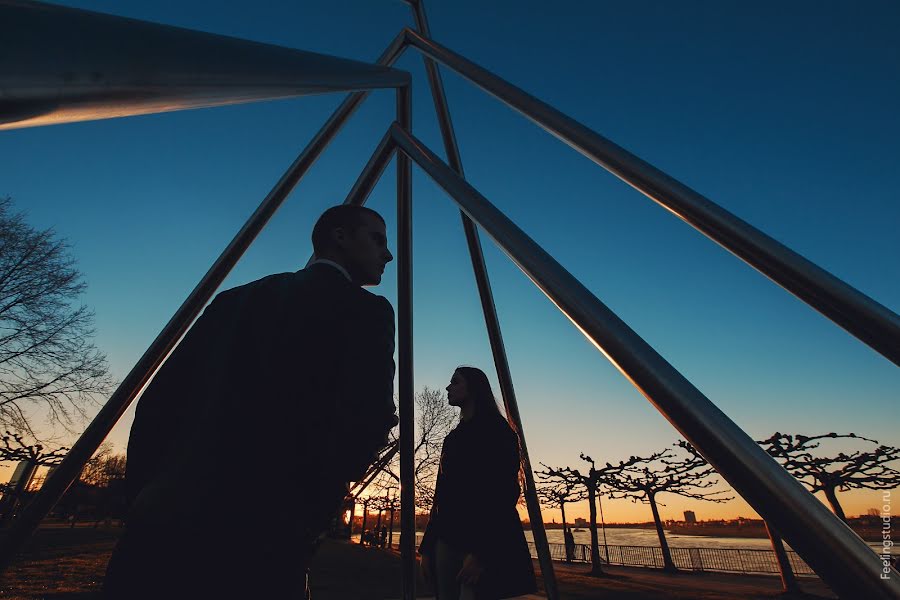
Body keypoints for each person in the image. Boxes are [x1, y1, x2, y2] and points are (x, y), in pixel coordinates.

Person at [104, 205, 397, 599]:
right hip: (264, 530)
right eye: (377, 239)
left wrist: (144, 494)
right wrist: (313, 513)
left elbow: (160, 402)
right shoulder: (367, 311)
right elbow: (368, 417)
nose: (388, 254)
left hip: (163, 522)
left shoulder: (233, 300)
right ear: (340, 236)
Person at [419, 367, 537, 600]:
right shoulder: (453, 438)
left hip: (480, 535)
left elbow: (503, 494)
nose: (447, 387)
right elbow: (441, 495)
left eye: (455, 382)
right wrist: (428, 547)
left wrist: (482, 553)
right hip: (447, 535)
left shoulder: (498, 432)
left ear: (473, 387)